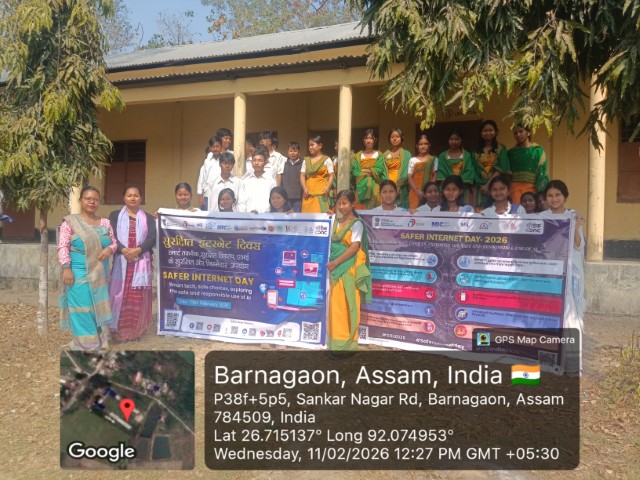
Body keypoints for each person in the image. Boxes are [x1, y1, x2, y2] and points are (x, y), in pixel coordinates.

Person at [58, 186, 117, 350]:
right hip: (78, 273)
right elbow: (63, 246)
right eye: (88, 198)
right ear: (80, 200)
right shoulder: (70, 222)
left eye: (96, 199)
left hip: (100, 273)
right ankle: (87, 345)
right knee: (82, 309)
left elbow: (114, 243)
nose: (92, 202)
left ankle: (99, 340)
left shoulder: (105, 222)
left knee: (97, 307)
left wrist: (109, 249)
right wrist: (66, 268)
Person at [541, 179, 585, 372]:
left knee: (571, 317)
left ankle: (571, 365)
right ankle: (549, 361)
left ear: (565, 196)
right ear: (545, 199)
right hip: (549, 274)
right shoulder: (541, 218)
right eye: (550, 196)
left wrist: (575, 228)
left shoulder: (573, 216)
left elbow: (578, 246)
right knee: (549, 316)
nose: (554, 199)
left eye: (558, 195)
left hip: (570, 275)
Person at [108, 186, 156, 342]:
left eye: (136, 195)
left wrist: (137, 250)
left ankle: (136, 331)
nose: (133, 198)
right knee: (119, 296)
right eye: (129, 195)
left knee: (137, 296)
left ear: (141, 198)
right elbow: (112, 236)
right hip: (121, 262)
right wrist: (124, 250)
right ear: (124, 198)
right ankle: (117, 330)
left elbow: (152, 238)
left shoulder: (148, 218)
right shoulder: (115, 216)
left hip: (140, 262)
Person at [327, 190, 372, 351]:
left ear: (353, 204)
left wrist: (335, 262)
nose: (341, 206)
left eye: (345, 203)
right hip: (335, 271)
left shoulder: (356, 224)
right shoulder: (334, 221)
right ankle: (336, 343)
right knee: (336, 307)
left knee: (349, 304)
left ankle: (349, 344)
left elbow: (354, 248)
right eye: (339, 203)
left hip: (348, 269)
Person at [474, 120, 511, 210]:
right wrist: (482, 186)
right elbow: (474, 170)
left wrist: (488, 185)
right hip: (480, 189)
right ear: (481, 133)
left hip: (496, 188)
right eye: (485, 131)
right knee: (481, 213)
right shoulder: (475, 151)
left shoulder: (501, 148)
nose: (488, 133)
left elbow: (502, 167)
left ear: (496, 132)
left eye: (490, 130)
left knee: (496, 211)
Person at [507, 125, 549, 204]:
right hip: (514, 192)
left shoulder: (538, 151)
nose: (518, 135)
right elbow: (506, 174)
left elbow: (542, 174)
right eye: (515, 133)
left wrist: (541, 195)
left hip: (532, 193)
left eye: (521, 131)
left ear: (528, 133)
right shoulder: (510, 153)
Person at [436, 128, 476, 206]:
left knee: (463, 209)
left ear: (461, 140)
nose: (454, 141)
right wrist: (451, 187)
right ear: (448, 140)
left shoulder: (467, 155)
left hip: (463, 189)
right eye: (451, 139)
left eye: (456, 139)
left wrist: (458, 186)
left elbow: (469, 171)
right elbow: (441, 172)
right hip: (447, 190)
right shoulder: (443, 156)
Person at [351, 129, 387, 210]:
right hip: (360, 188)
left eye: (371, 138)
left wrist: (363, 170)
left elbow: (379, 170)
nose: (368, 141)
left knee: (375, 210)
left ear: (375, 140)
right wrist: (371, 171)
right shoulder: (357, 156)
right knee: (360, 211)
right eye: (366, 138)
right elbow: (355, 172)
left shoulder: (380, 155)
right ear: (363, 140)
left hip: (375, 186)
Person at [300, 135, 334, 213]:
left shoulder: (327, 160)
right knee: (307, 216)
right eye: (309, 145)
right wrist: (304, 188)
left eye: (312, 145)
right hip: (308, 193)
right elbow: (302, 175)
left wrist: (328, 188)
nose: (310, 147)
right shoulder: (306, 160)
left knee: (321, 215)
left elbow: (331, 175)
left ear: (320, 145)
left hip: (322, 193)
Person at [237, 147, 277, 213]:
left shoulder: (271, 181)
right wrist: (244, 215)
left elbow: (273, 200)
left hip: (265, 216)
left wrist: (264, 214)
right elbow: (241, 201)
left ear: (265, 162)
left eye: (260, 160)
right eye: (254, 160)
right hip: (247, 216)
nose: (256, 163)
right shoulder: (245, 181)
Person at [407, 134, 437, 211]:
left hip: (430, 193)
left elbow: (435, 176)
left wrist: (428, 191)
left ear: (429, 145)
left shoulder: (434, 159)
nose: (423, 146)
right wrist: (417, 191)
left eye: (425, 144)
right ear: (417, 146)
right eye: (421, 144)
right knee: (414, 212)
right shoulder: (412, 160)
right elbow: (409, 177)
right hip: (415, 192)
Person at [383, 128, 411, 208]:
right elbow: (384, 172)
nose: (394, 139)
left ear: (401, 138)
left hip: (402, 187)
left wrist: (398, 188)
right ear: (389, 139)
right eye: (392, 137)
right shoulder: (385, 154)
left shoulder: (406, 154)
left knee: (402, 211)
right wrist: (389, 188)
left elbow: (405, 172)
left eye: (397, 136)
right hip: (388, 187)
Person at [197, 135, 222, 209]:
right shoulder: (207, 161)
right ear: (210, 148)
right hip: (208, 193)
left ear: (221, 147)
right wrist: (200, 195)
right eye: (213, 147)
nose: (215, 149)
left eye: (217, 146)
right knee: (207, 213)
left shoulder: (224, 160)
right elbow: (202, 179)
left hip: (221, 193)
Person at [280, 141, 303, 212]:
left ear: (299, 153)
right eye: (291, 151)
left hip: (298, 197)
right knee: (286, 216)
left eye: (295, 151)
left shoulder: (302, 164)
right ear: (287, 152)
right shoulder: (284, 164)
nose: (293, 153)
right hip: (286, 196)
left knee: (297, 216)